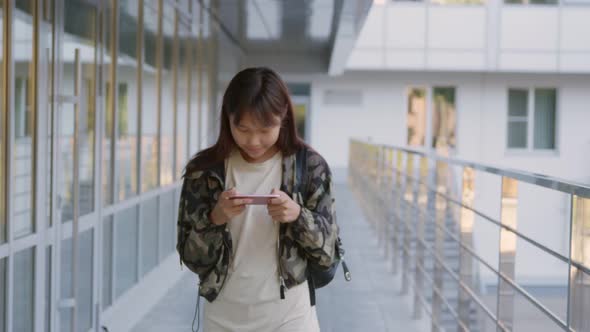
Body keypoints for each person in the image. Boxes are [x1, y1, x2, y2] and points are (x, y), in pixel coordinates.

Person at [176, 67, 339, 332]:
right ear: (227, 119)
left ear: (283, 117)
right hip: (223, 316)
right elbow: (192, 258)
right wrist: (216, 217)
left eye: (265, 129)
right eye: (242, 128)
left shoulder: (309, 166)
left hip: (291, 317)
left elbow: (327, 254)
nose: (253, 140)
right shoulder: (204, 171)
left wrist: (298, 216)